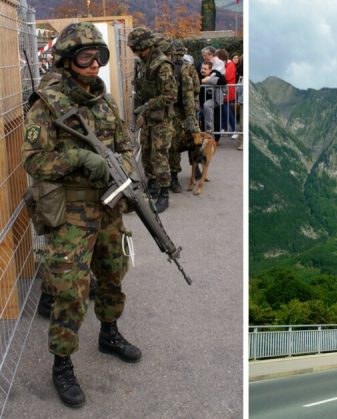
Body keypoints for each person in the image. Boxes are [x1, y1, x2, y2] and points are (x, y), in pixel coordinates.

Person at [22, 22, 141, 408]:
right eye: (84, 57)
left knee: (112, 272)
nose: (94, 65)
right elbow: (35, 161)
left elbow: (125, 145)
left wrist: (119, 166)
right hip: (70, 212)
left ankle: (109, 332)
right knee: (70, 291)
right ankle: (62, 364)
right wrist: (81, 158)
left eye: (99, 57)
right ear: (67, 60)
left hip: (109, 205)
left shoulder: (104, 103)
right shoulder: (48, 103)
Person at [128, 27, 177, 212]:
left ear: (145, 45)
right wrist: (140, 113)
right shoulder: (143, 63)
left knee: (159, 155)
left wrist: (147, 106)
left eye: (136, 49)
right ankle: (153, 185)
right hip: (148, 119)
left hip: (161, 120)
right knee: (146, 153)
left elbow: (170, 95)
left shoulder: (162, 64)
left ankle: (164, 193)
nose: (135, 53)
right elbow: (140, 91)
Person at [164, 39, 201, 192]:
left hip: (172, 112)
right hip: (189, 112)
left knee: (174, 145)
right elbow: (197, 88)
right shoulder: (190, 68)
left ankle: (174, 178)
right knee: (194, 139)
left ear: (171, 53)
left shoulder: (167, 68)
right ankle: (196, 168)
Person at [198, 61, 224, 142]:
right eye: (202, 68)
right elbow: (194, 82)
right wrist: (202, 81)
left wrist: (209, 80)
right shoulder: (198, 75)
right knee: (202, 118)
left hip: (215, 101)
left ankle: (215, 139)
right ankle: (204, 137)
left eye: (205, 69)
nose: (203, 70)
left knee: (216, 119)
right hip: (201, 102)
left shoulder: (216, 73)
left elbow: (223, 81)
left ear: (210, 70)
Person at [215, 49, 237, 140]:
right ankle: (224, 128)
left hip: (228, 91)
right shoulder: (225, 65)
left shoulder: (230, 65)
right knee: (224, 110)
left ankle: (234, 129)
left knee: (227, 110)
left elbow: (226, 77)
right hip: (224, 90)